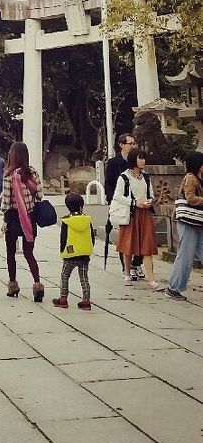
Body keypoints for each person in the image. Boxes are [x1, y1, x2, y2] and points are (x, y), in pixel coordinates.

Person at [112, 148, 163, 291]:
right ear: (133, 160)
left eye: (144, 158)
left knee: (147, 246)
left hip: (145, 214)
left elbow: (151, 194)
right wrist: (134, 202)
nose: (143, 161)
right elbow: (117, 196)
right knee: (129, 246)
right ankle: (127, 273)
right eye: (140, 158)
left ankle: (151, 279)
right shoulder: (124, 177)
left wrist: (149, 201)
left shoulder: (146, 177)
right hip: (131, 214)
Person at [0, 141, 44, 302]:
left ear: (12, 155)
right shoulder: (33, 173)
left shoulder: (8, 175)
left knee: (10, 253)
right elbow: (40, 196)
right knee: (28, 253)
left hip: (12, 218)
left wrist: (4, 220)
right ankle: (37, 284)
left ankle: (13, 286)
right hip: (29, 218)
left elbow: (5, 202)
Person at [105, 131, 144, 279]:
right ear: (121, 145)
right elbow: (109, 184)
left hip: (138, 203)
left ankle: (137, 263)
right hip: (122, 203)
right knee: (125, 237)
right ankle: (126, 267)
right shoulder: (114, 163)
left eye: (134, 143)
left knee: (140, 235)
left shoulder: (137, 162)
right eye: (130, 143)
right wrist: (112, 202)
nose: (133, 146)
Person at [165, 151, 203, 301]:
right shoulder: (191, 178)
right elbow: (190, 198)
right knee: (185, 256)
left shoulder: (199, 178)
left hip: (197, 222)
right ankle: (173, 288)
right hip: (188, 223)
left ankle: (174, 287)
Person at [52, 191, 96, 310]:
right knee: (84, 278)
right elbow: (92, 236)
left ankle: (63, 299)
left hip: (70, 255)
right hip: (84, 254)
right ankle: (86, 301)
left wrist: (62, 251)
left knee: (65, 276)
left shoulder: (67, 221)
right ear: (81, 206)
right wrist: (90, 248)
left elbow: (63, 238)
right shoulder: (87, 220)